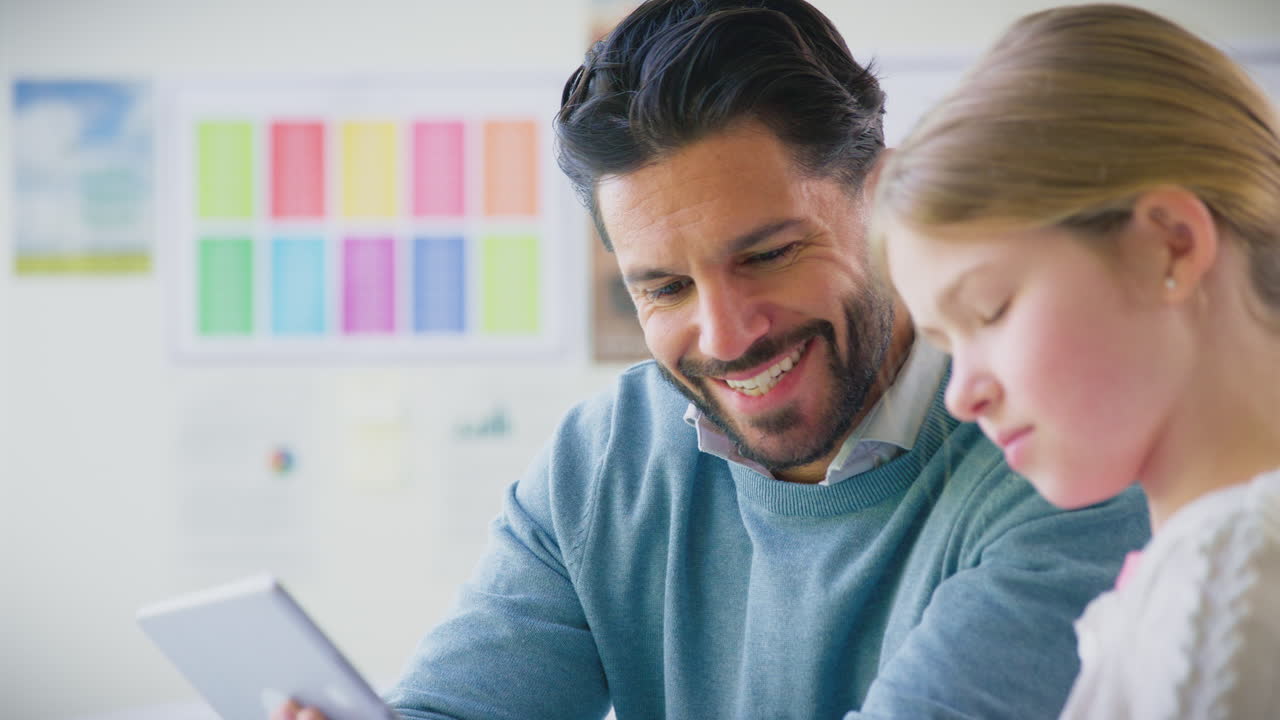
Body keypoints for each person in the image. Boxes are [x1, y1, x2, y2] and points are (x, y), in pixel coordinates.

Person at [275, 2, 1148, 719]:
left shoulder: (1059, 462)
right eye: (662, 289)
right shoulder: (607, 457)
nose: (727, 336)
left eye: (766, 255)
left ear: (881, 197)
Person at [871, 4, 1280, 718]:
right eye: (944, 343)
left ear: (1171, 245)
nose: (960, 396)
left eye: (990, 310)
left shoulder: (1225, 591)